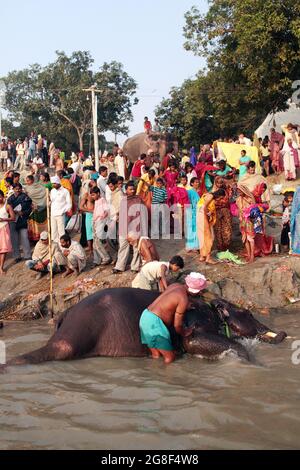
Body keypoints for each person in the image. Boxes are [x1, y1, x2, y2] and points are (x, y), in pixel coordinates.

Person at [139, 272, 207, 364]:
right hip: (154, 324)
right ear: (194, 291)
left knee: (156, 355)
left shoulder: (175, 285)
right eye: (200, 291)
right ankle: (168, 378)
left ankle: (154, 374)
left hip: (145, 316)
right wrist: (185, 332)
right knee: (170, 358)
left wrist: (184, 306)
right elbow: (177, 325)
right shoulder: (183, 299)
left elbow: (170, 300)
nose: (200, 293)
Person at [113, 181, 147, 274]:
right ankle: (120, 266)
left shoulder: (138, 199)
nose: (132, 191)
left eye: (133, 189)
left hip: (135, 227)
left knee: (136, 248)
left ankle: (135, 267)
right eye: (130, 189)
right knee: (123, 247)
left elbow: (143, 214)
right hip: (124, 227)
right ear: (126, 190)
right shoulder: (123, 200)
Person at [197, 190, 224, 264]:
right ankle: (208, 258)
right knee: (210, 237)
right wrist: (208, 216)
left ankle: (202, 256)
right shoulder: (210, 196)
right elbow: (204, 207)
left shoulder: (208, 195)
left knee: (202, 236)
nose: (220, 200)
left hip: (200, 216)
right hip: (203, 217)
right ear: (218, 195)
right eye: (221, 198)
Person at [7, 183, 32, 263]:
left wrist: (23, 213)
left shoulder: (25, 197)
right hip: (12, 219)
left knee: (24, 237)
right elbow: (7, 209)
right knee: (14, 239)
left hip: (22, 219)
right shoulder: (10, 198)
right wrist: (12, 211)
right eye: (16, 189)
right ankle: (17, 256)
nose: (17, 190)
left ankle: (27, 255)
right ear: (13, 189)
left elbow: (30, 208)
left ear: (21, 189)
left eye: (19, 189)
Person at [90, 187, 112, 266]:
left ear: (98, 193)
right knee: (94, 243)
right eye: (91, 195)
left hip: (101, 222)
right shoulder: (96, 201)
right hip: (95, 222)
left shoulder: (102, 200)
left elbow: (107, 210)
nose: (92, 197)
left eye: (93, 195)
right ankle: (97, 260)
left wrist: (103, 218)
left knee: (98, 242)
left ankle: (106, 257)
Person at [24, 174, 48, 242]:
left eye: (28, 181)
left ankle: (43, 236)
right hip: (32, 209)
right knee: (33, 223)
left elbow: (45, 193)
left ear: (32, 180)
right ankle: (34, 237)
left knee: (41, 223)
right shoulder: (27, 188)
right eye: (26, 181)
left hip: (40, 208)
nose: (27, 182)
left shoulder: (40, 186)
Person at [50, 176, 72, 243]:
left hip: (60, 214)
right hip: (53, 213)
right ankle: (55, 246)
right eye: (52, 183)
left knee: (61, 231)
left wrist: (63, 211)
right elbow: (52, 201)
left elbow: (69, 204)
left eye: (55, 183)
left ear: (58, 183)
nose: (53, 185)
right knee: (53, 231)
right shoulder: (52, 191)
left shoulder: (65, 191)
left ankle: (63, 246)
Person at [213, 177, 233, 251]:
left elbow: (227, 201)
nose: (219, 184)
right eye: (218, 183)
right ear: (215, 183)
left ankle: (227, 246)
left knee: (227, 229)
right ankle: (220, 248)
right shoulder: (213, 191)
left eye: (221, 183)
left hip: (226, 213)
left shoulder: (226, 191)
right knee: (218, 230)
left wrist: (218, 202)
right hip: (217, 213)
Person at [0, 190, 15, 274]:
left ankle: (1, 267)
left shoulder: (8, 206)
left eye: (0, 196)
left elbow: (13, 218)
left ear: (3, 197)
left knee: (3, 249)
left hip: (4, 228)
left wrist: (3, 219)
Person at [185, 177, 201, 252]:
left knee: (195, 230)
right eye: (196, 182)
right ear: (192, 183)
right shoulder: (190, 192)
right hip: (191, 212)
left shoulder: (198, 192)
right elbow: (187, 202)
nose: (197, 183)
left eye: (198, 182)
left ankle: (193, 246)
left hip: (197, 212)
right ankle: (192, 246)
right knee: (191, 230)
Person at [290, 187, 300, 255]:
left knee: (298, 234)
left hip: (298, 215)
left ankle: (297, 250)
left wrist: (292, 219)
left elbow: (296, 205)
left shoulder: (298, 190)